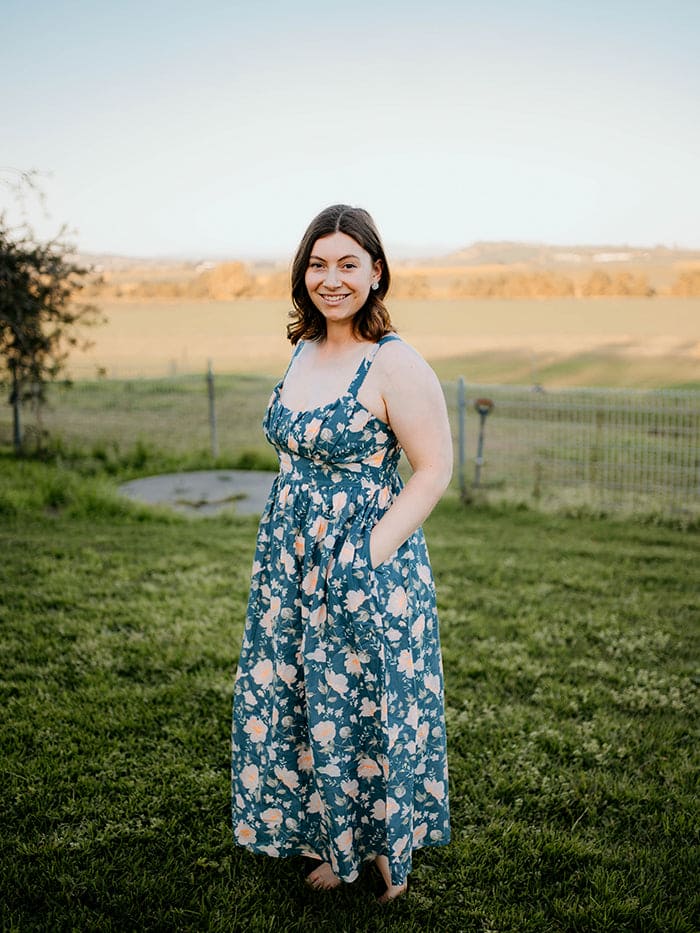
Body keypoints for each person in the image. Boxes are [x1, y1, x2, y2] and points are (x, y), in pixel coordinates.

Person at [231, 204, 452, 903]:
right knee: (306, 697)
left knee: (370, 702)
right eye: (318, 263)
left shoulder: (394, 361)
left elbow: (434, 469)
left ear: (376, 271)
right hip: (291, 567)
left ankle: (389, 853)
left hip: (367, 568)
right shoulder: (303, 348)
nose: (331, 278)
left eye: (348, 263)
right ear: (303, 273)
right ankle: (339, 841)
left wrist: (367, 552)